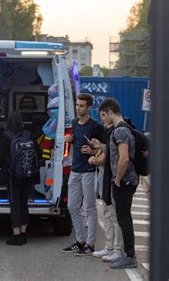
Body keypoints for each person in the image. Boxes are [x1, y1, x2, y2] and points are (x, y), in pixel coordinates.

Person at [92, 98, 139, 269]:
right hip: (127, 180)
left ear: (111, 112)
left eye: (104, 115)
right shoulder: (123, 129)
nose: (103, 120)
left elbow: (124, 158)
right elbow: (116, 153)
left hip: (124, 181)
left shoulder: (119, 131)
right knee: (123, 218)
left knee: (123, 219)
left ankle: (129, 256)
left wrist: (117, 178)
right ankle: (127, 254)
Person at [62, 93, 105, 256]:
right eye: (77, 105)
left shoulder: (96, 126)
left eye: (81, 105)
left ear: (89, 107)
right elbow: (73, 141)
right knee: (72, 206)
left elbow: (105, 149)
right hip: (75, 170)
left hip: (89, 171)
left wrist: (93, 150)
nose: (78, 108)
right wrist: (69, 139)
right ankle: (80, 241)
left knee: (90, 208)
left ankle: (90, 244)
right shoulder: (74, 123)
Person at [0, 112, 39, 246]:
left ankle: (16, 236)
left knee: (15, 205)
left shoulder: (6, 136)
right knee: (24, 204)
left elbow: (1, 157)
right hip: (28, 175)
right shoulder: (29, 135)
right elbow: (37, 153)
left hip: (13, 176)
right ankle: (24, 233)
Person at [88, 123, 124, 263]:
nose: (103, 120)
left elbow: (103, 158)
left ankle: (117, 249)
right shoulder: (109, 134)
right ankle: (110, 247)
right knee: (108, 214)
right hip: (105, 181)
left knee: (114, 216)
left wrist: (93, 159)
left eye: (104, 115)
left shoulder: (116, 133)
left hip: (111, 180)